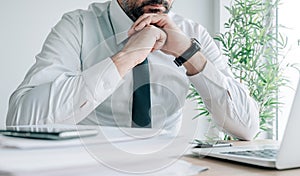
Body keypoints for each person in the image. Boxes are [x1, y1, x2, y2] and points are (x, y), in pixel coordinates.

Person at [6, 0, 259, 140]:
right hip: (88, 172)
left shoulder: (191, 34)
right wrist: (126, 57)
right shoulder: (78, 26)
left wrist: (189, 53)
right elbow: (22, 120)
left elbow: (247, 127)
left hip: (166, 173)